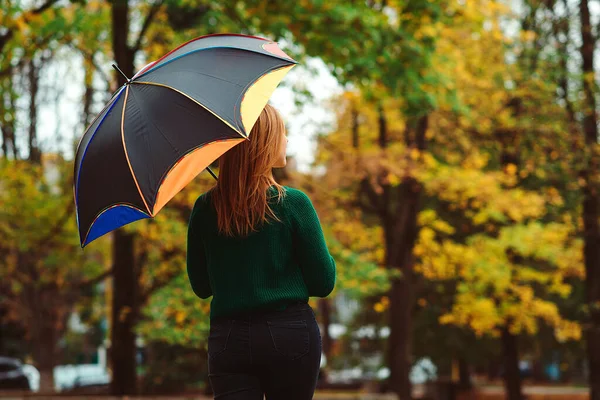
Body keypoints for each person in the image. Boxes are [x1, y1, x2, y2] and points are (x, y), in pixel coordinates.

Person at [186, 104, 336, 400]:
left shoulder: (205, 208)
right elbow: (323, 283)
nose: (287, 140)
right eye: (282, 133)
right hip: (290, 333)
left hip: (229, 339)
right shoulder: (294, 203)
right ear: (264, 144)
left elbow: (202, 287)